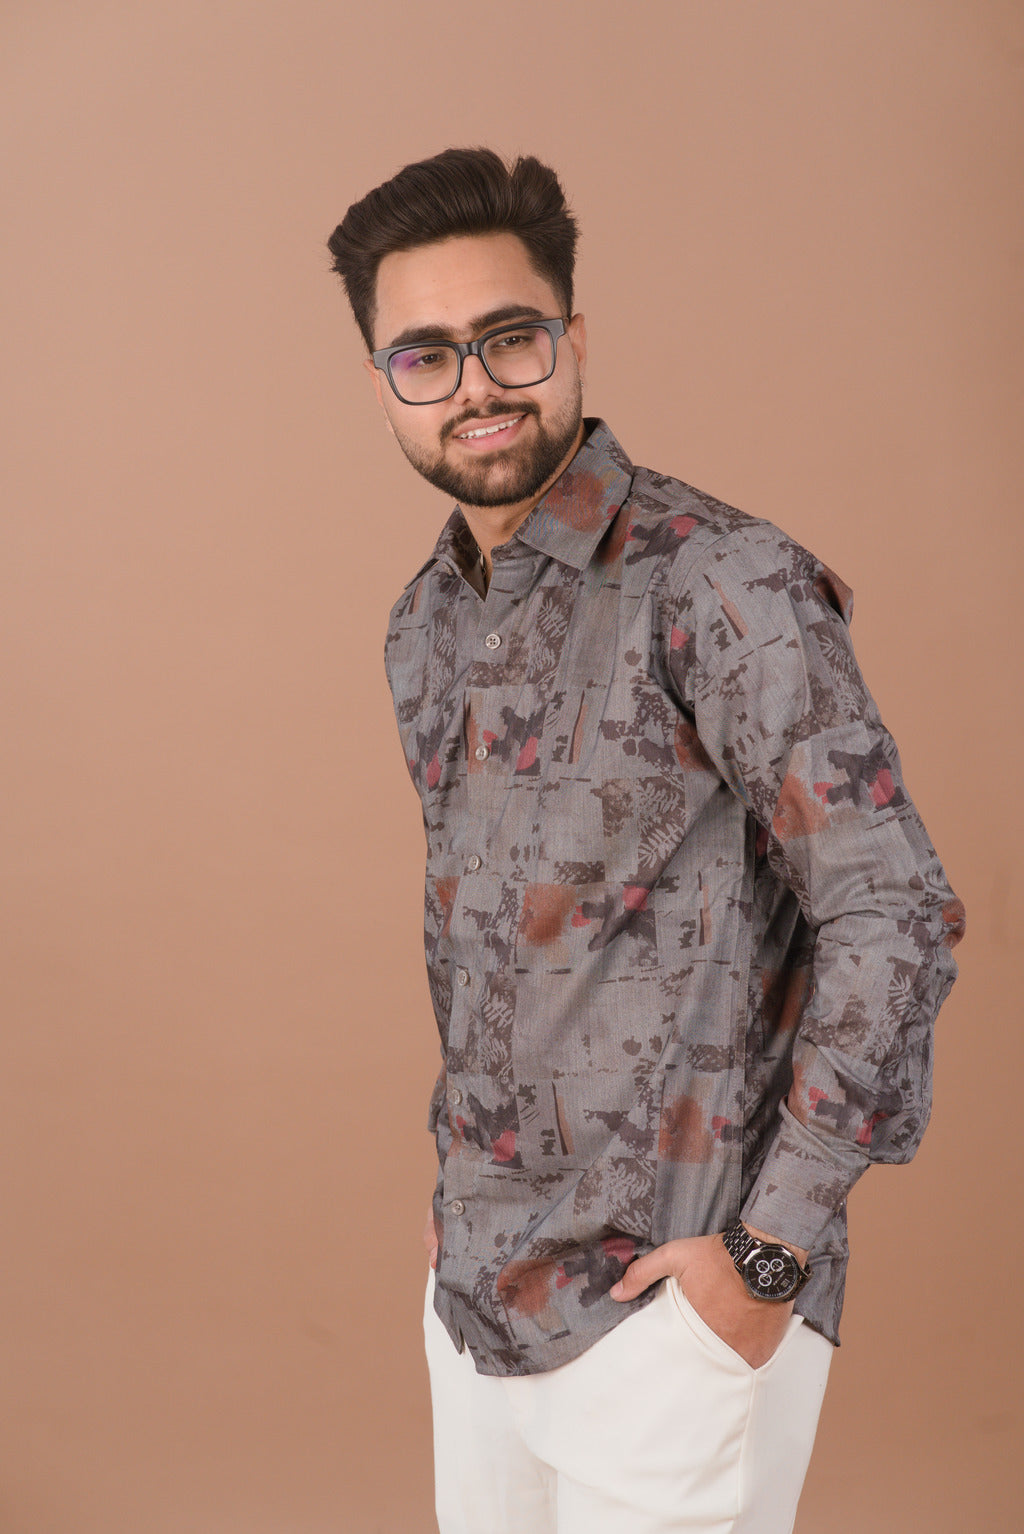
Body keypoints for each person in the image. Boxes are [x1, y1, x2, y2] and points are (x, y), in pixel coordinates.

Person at [326, 148, 965, 1534]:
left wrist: (769, 1251)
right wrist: (457, 1179)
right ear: (382, 382)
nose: (476, 385)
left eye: (508, 337)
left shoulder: (721, 581)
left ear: (573, 337)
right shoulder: (424, 622)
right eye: (424, 355)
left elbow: (894, 913)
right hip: (477, 1298)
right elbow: (493, 946)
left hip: (672, 1303)